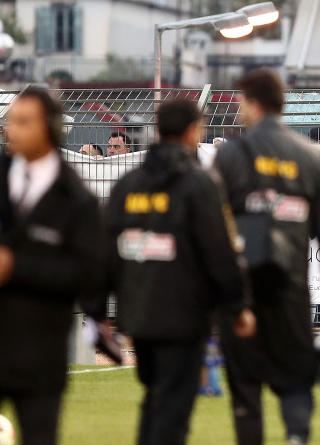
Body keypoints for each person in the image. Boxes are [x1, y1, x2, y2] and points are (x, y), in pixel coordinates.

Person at [0, 88, 104, 445]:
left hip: (38, 353)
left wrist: (17, 267)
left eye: (24, 122)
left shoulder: (75, 199)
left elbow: (87, 272)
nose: (12, 130)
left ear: (51, 129)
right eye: (12, 121)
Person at [89, 97, 258, 445]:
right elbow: (220, 251)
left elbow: (103, 252)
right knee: (173, 408)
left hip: (138, 316)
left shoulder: (128, 184)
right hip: (184, 316)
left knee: (156, 399)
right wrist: (238, 305)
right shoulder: (200, 184)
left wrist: (96, 311)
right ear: (193, 130)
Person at [213, 69, 320, 445]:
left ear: (253, 103)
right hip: (290, 290)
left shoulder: (229, 156)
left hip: (242, 295)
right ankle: (295, 438)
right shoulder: (310, 157)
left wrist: (217, 298)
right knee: (295, 380)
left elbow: (211, 234)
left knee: (245, 388)